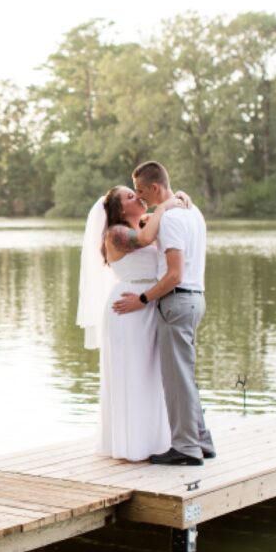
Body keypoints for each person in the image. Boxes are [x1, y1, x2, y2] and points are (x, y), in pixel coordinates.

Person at [113, 161, 215, 466]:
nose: (139, 196)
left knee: (176, 379)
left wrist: (143, 298)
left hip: (177, 300)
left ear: (155, 188)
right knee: (186, 376)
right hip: (195, 300)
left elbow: (174, 275)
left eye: (141, 190)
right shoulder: (192, 212)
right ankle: (202, 441)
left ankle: (185, 448)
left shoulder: (170, 220)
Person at [77, 185, 186, 462]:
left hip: (148, 304)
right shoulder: (116, 234)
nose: (136, 197)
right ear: (119, 210)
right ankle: (130, 445)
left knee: (151, 375)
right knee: (132, 374)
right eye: (129, 196)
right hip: (127, 308)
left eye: (135, 193)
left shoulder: (144, 223)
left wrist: (179, 201)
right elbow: (145, 239)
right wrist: (165, 205)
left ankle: (155, 441)